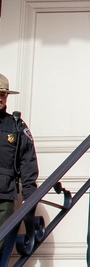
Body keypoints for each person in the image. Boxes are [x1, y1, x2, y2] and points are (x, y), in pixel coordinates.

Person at [0, 75, 38, 231]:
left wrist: (30, 196)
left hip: (4, 197)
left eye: (2, 95)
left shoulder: (16, 126)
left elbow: (28, 160)